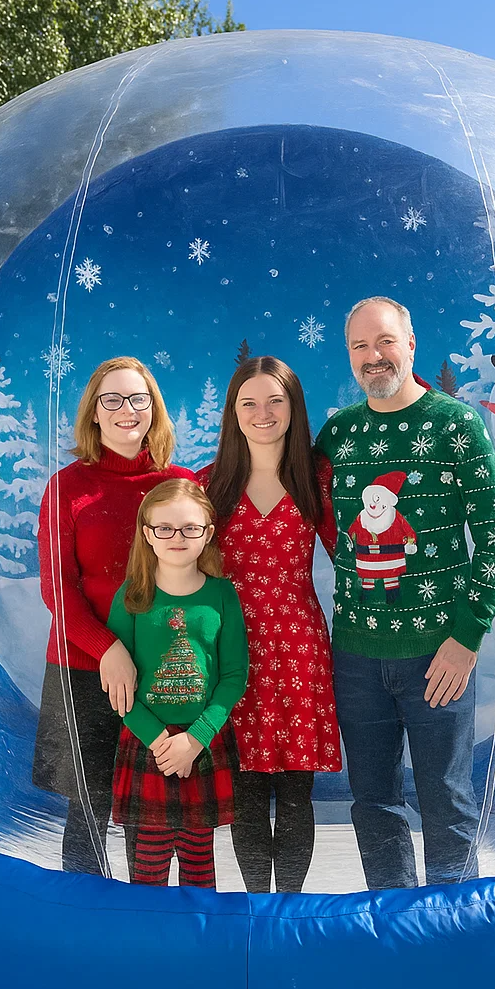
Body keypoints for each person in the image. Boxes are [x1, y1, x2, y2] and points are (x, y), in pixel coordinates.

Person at [315, 296, 495, 889]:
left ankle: (453, 935)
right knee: (373, 803)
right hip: (355, 654)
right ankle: (393, 928)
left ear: (410, 344)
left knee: (446, 802)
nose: (373, 356)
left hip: (438, 654)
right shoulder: (340, 434)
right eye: (359, 346)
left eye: (384, 342)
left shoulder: (456, 425)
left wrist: (466, 638)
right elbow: (280, 481)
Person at [32, 357, 195, 877]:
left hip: (163, 674)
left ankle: (147, 926)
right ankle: (85, 929)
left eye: (138, 399)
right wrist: (108, 649)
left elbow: (198, 578)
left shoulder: (180, 484)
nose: (127, 410)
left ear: (154, 410)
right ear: (94, 414)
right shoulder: (66, 488)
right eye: (113, 400)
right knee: (89, 810)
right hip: (83, 670)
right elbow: (58, 587)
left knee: (155, 817)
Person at [199, 356, 341, 893]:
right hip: (232, 651)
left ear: (293, 407)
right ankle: (260, 906)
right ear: (233, 412)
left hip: (299, 646)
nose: (263, 413)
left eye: (275, 400)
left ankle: (290, 906)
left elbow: (353, 554)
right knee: (248, 789)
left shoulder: (316, 476)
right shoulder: (208, 484)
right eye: (249, 402)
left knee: (297, 790)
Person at [107, 479, 248, 887]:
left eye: (190, 528)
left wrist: (196, 739)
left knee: (199, 863)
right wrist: (157, 740)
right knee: (147, 868)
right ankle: (150, 946)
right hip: (147, 743)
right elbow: (120, 687)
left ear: (208, 532)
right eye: (164, 528)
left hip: (201, 745)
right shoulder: (132, 596)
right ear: (147, 533)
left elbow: (234, 675)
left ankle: (199, 946)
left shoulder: (222, 595)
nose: (177, 537)